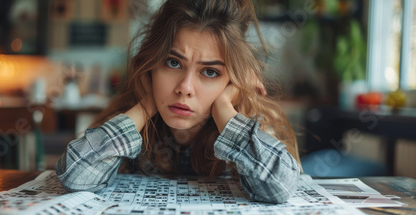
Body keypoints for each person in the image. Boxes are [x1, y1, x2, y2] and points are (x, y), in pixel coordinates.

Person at [56, 0, 301, 204]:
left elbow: (280, 187)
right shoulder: (129, 115)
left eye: (210, 72)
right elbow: (74, 174)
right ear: (151, 65)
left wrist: (225, 109)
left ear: (233, 83)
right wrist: (145, 106)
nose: (184, 88)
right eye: (173, 63)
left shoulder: (249, 121)